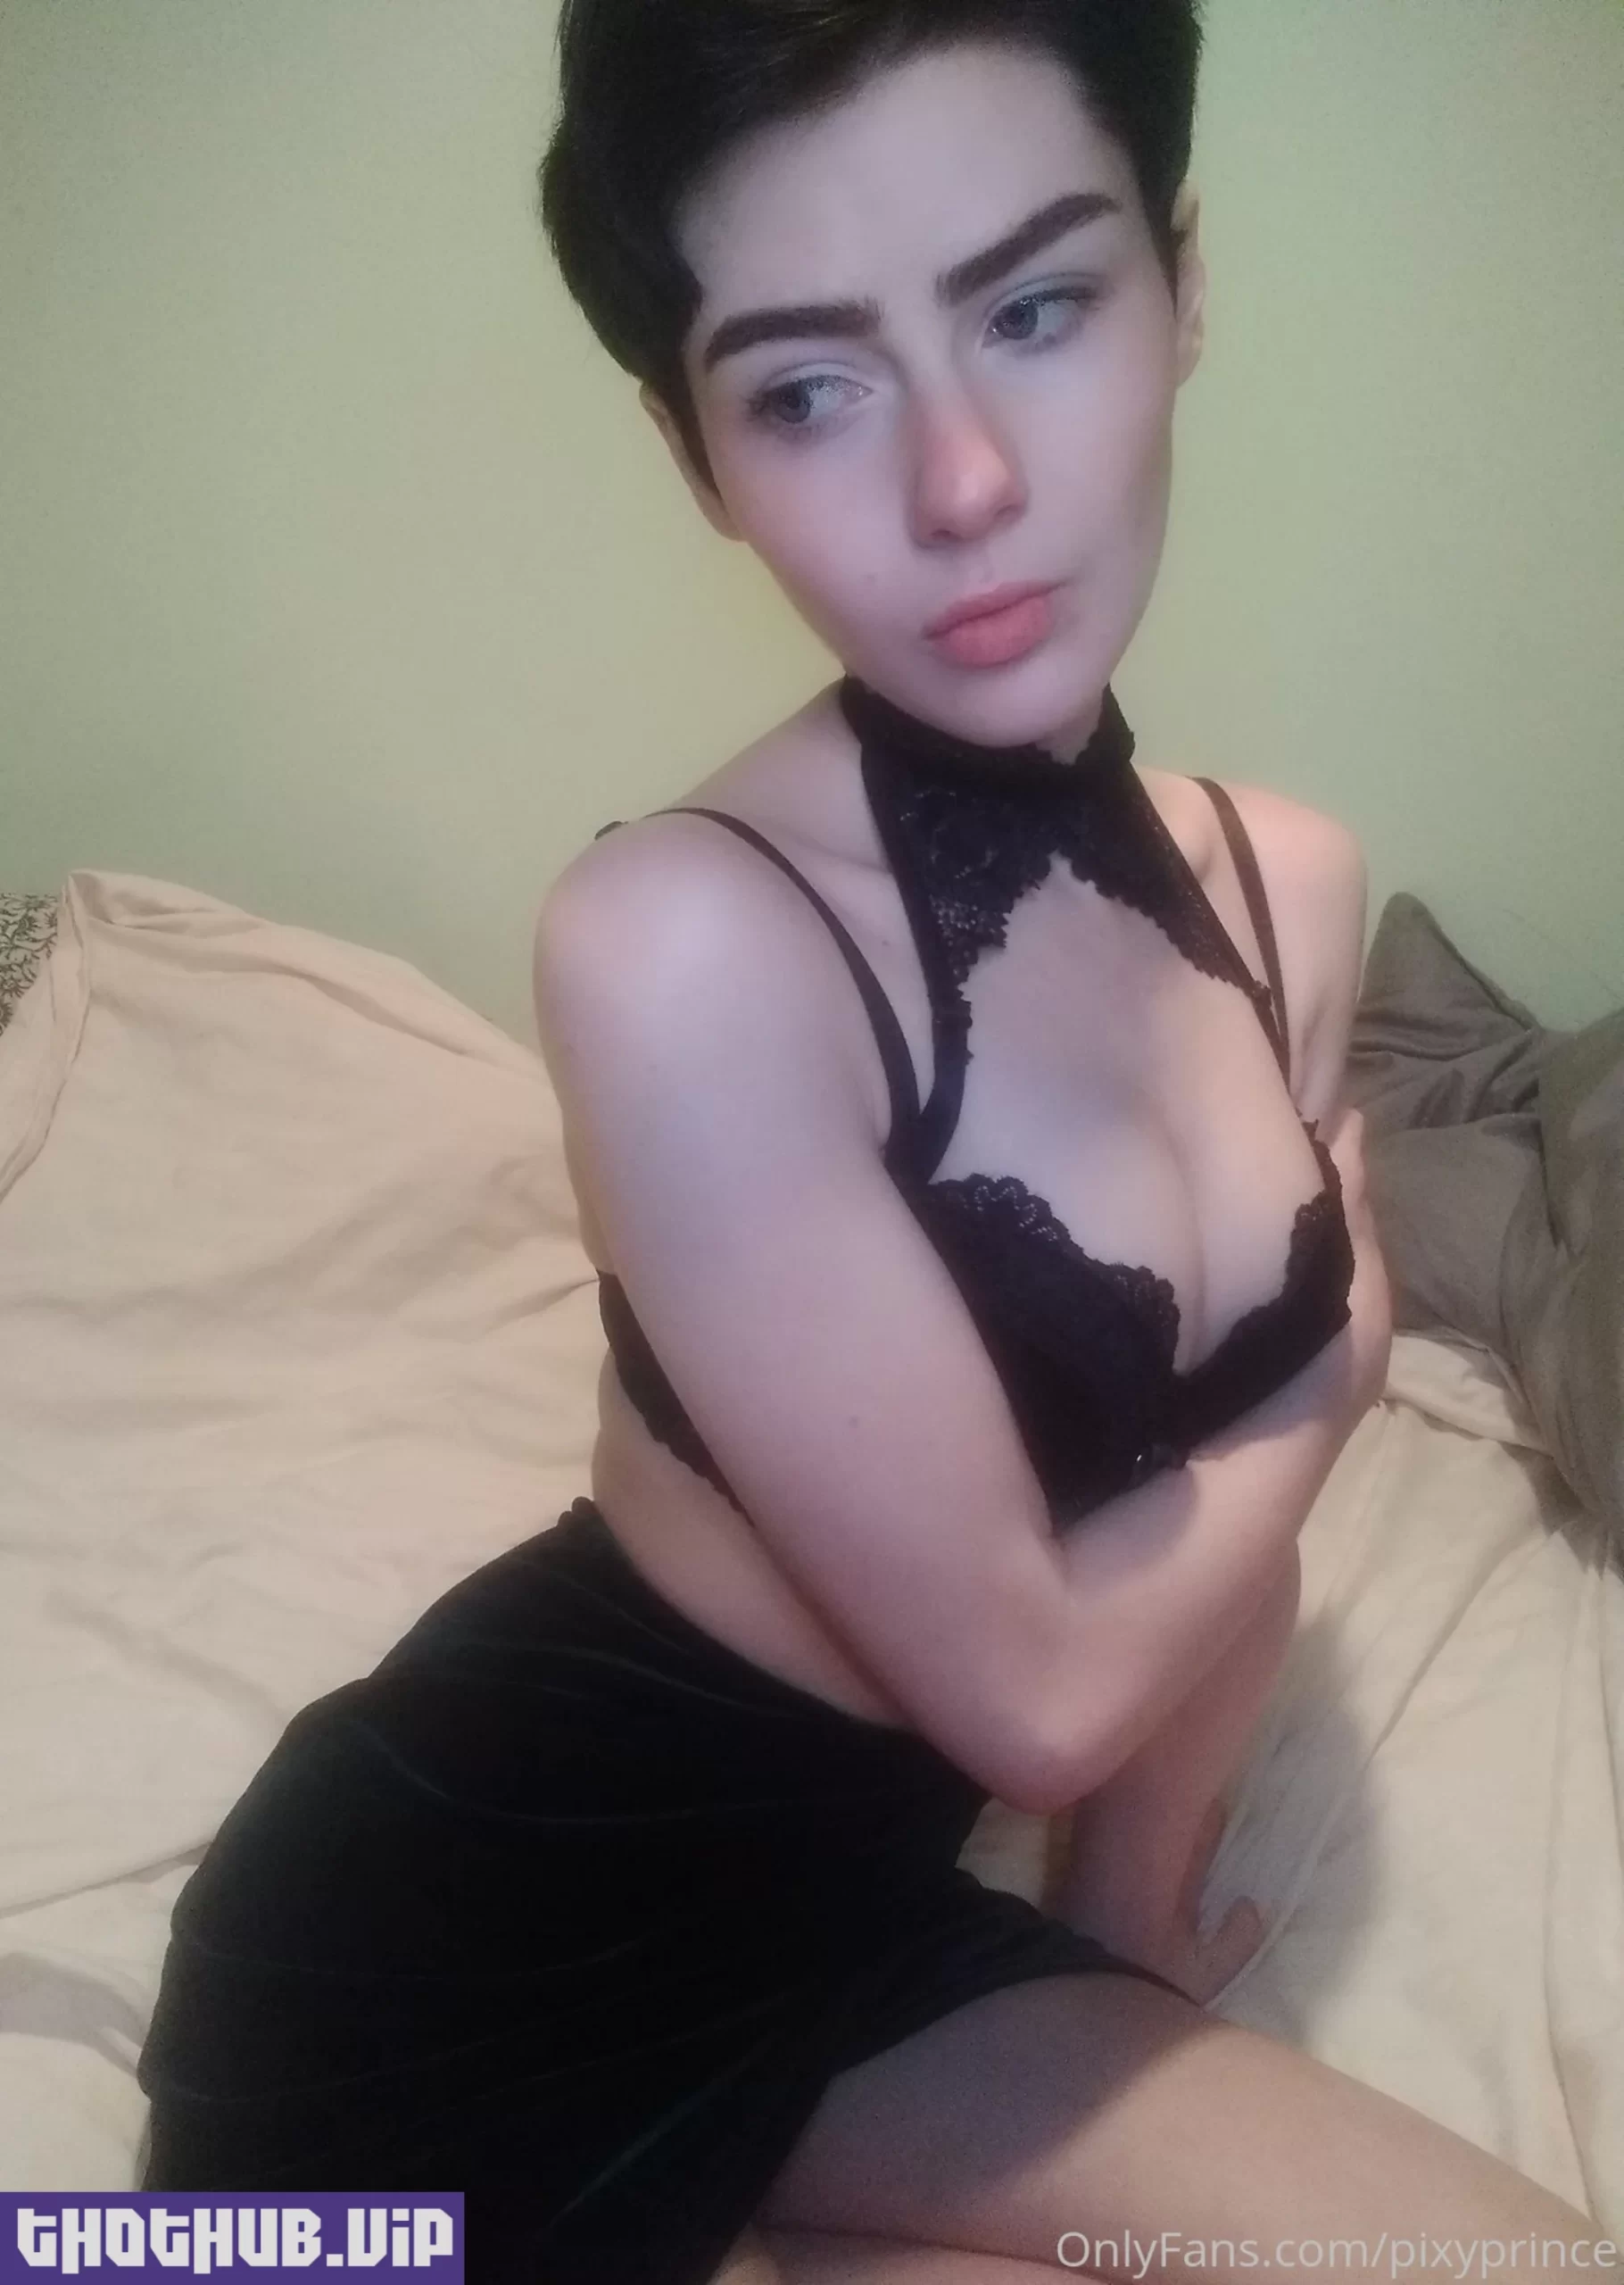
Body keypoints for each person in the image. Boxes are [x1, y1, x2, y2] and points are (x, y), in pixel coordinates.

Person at [136, 4, 1612, 2281]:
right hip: (456, 1961)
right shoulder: (679, 945)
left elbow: (1205, 1547)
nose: (963, 481)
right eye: (807, 388)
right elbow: (1037, 1684)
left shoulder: (1288, 894)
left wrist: (1121, 1948)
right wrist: (1332, 1372)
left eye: (1035, 306)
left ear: (1181, 287)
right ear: (696, 453)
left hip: (862, 1930)